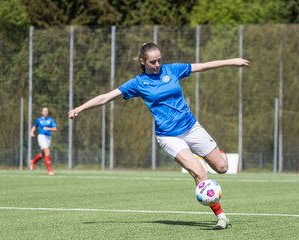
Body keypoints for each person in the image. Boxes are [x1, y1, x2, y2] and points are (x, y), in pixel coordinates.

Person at [68, 42, 250, 229]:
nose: (157, 65)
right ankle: (221, 217)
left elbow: (202, 66)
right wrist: (79, 108)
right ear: (142, 61)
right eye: (153, 62)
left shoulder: (172, 70)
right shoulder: (138, 83)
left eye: (159, 60)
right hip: (168, 136)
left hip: (191, 127)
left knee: (222, 167)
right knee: (199, 172)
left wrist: (232, 61)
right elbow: (106, 97)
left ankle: (209, 153)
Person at [30, 107, 57, 175]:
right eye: (44, 111)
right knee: (47, 151)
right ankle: (49, 170)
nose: (45, 112)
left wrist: (48, 128)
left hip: (48, 137)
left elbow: (55, 129)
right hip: (41, 136)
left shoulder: (50, 120)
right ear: (42, 112)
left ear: (48, 112)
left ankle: (33, 161)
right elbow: (34, 126)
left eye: (46, 111)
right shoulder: (38, 120)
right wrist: (32, 132)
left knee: (43, 154)